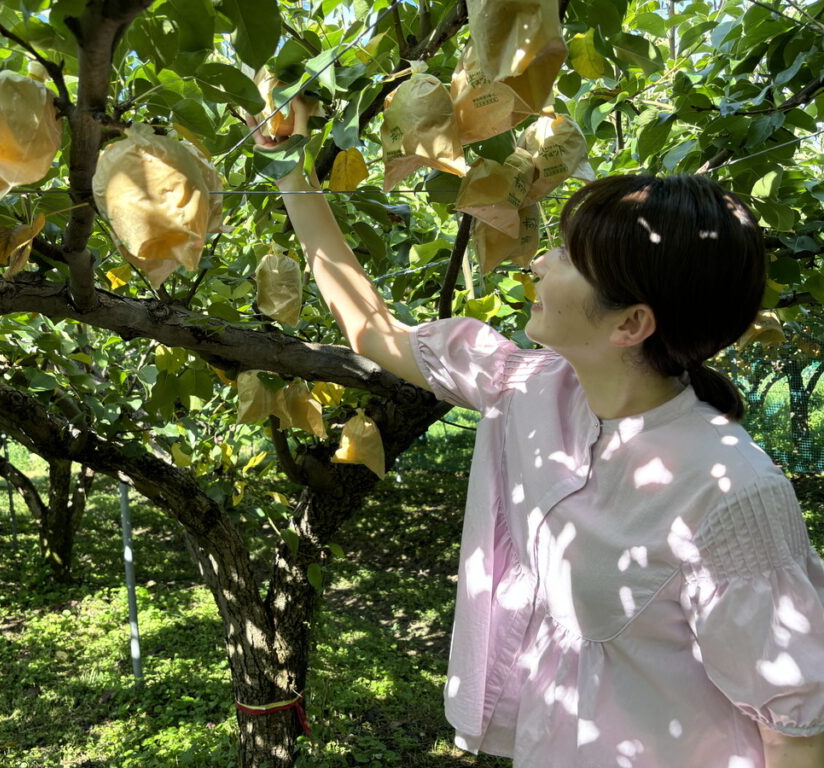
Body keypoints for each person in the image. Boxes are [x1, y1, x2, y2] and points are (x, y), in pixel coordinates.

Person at [250, 100, 824, 767]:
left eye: (569, 257)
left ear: (630, 324)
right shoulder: (526, 390)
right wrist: (290, 166)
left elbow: (797, 730)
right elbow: (371, 329)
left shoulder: (730, 492)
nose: (539, 263)